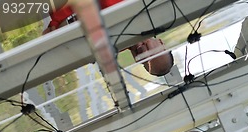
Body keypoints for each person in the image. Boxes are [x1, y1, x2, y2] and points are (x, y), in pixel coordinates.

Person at [42, 0, 174, 77]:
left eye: (144, 59)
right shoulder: (144, 9)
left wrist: (56, 31)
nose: (142, 50)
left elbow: (55, 36)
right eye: (150, 52)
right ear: (161, 43)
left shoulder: (101, 51)